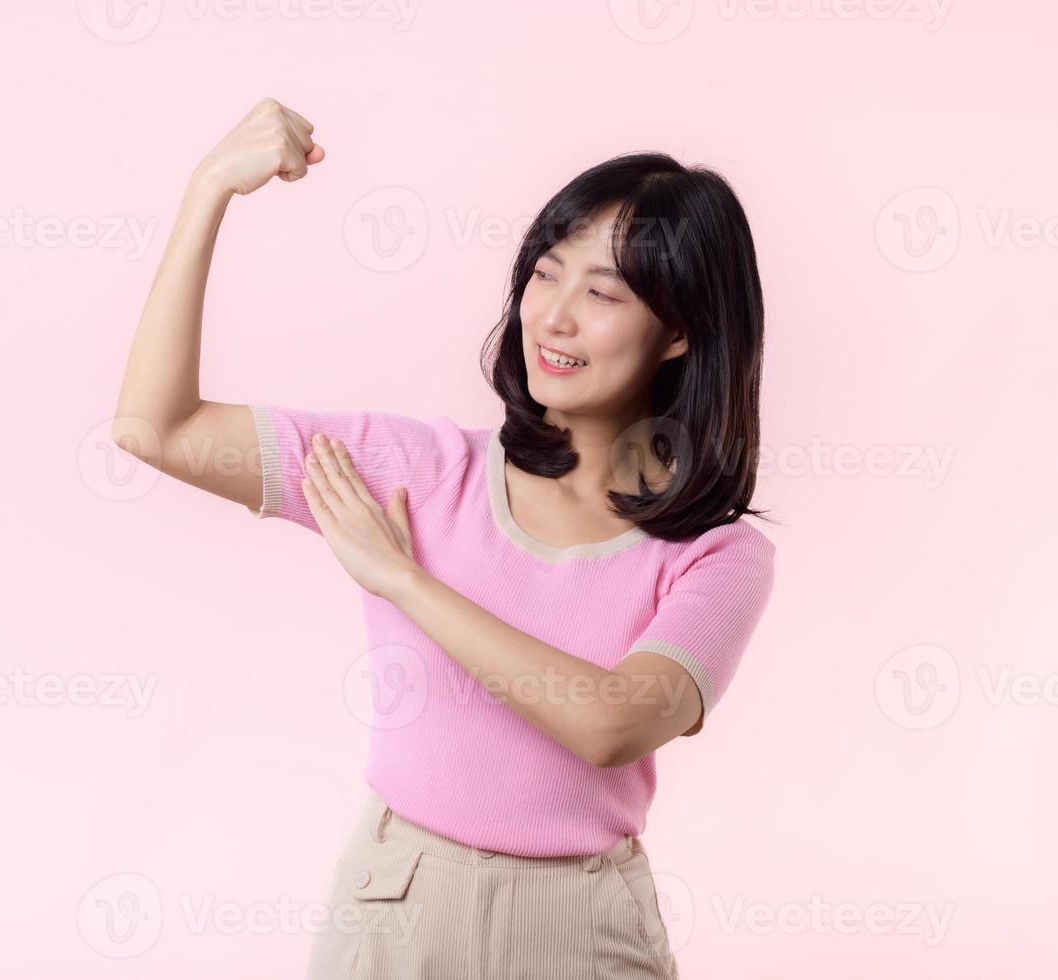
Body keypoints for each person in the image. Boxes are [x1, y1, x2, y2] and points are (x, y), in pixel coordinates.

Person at [110, 97, 776, 979]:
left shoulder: (717, 556)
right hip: (398, 905)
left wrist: (404, 581)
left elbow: (612, 723)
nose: (555, 317)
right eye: (545, 273)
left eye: (604, 292)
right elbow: (157, 429)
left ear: (681, 331)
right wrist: (207, 193)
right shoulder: (417, 470)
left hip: (583, 927)